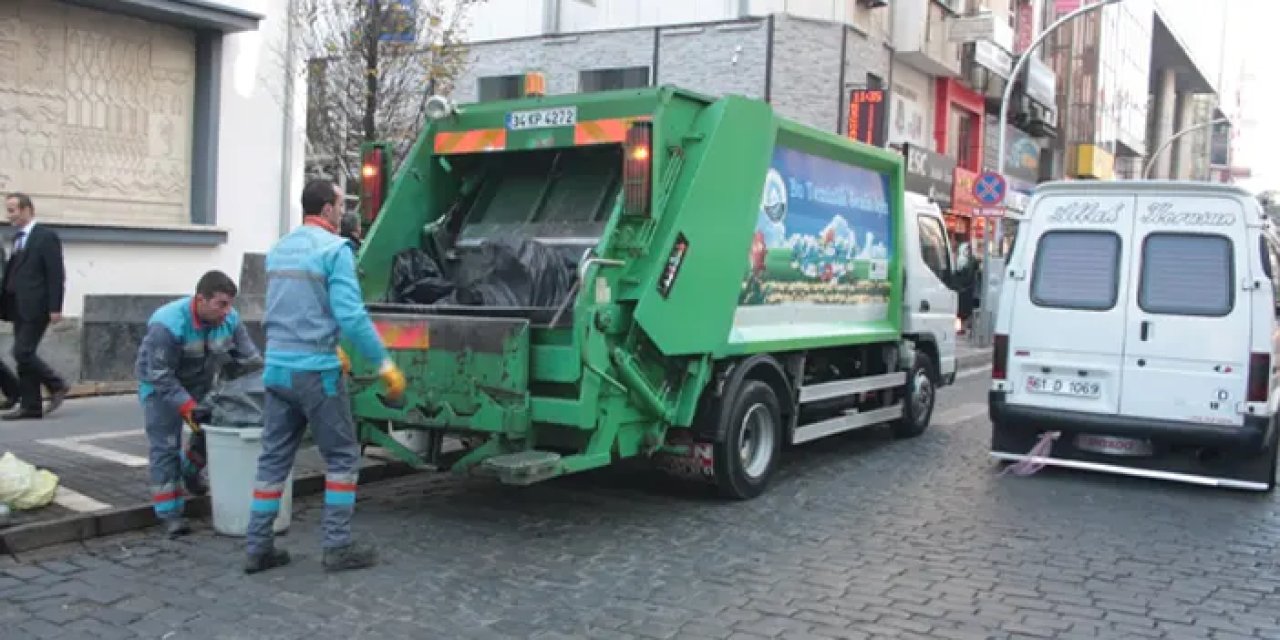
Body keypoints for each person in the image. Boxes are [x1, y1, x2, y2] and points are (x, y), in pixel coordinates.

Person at [244, 178, 404, 575]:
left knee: (274, 458)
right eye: (340, 203)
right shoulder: (335, 251)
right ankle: (337, 545)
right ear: (329, 210)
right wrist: (384, 364)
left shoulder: (278, 249)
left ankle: (258, 546)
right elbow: (350, 315)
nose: (342, 209)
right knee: (342, 456)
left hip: (277, 368)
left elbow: (290, 306)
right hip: (316, 372)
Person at [135, 270, 262, 537]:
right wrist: (188, 407)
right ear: (200, 300)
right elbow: (160, 375)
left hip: (201, 385)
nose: (227, 311)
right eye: (221, 304)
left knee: (212, 433)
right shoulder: (167, 324)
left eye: (230, 304)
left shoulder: (230, 320)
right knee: (165, 447)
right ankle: (170, 514)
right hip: (159, 389)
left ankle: (191, 472)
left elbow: (250, 362)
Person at [0, 193, 69, 420]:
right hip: (18, 306)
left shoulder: (44, 237)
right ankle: (31, 406)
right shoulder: (18, 238)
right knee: (22, 355)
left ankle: (56, 383)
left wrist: (55, 307)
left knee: (22, 351)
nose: (9, 215)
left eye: (13, 210)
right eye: (8, 210)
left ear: (28, 210)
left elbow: (55, 274)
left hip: (37, 306)